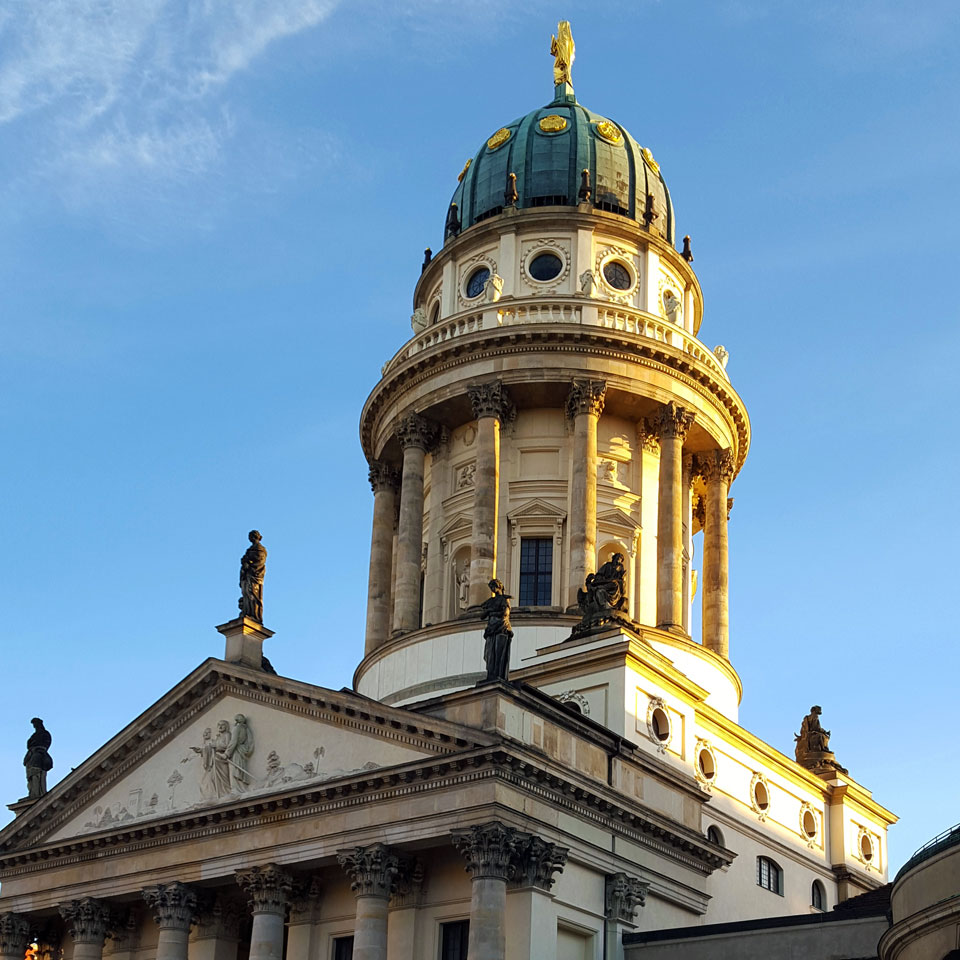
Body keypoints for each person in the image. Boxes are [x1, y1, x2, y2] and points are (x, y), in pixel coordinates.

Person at [480, 579, 513, 682]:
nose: (493, 589)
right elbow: (482, 616)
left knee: (499, 653)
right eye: (491, 588)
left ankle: (498, 676)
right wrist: (490, 611)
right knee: (490, 654)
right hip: (491, 628)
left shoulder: (504, 599)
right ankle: (491, 675)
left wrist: (491, 611)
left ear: (499, 586)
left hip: (501, 627)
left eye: (494, 587)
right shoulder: (490, 602)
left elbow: (505, 613)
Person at [239, 530, 267, 622]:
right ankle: (247, 612)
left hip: (254, 575)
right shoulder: (250, 549)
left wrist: (249, 565)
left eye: (251, 536)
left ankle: (254, 615)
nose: (250, 538)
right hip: (248, 575)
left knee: (253, 595)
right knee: (247, 593)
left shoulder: (260, 549)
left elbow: (259, 562)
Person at [24, 717, 53, 799]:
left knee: (37, 773)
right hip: (32, 755)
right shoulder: (34, 735)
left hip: (38, 755)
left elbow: (46, 744)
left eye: (35, 724)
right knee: (31, 775)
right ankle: (33, 793)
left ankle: (37, 793)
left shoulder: (44, 734)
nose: (35, 726)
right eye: (34, 725)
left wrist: (37, 749)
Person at [226, 713, 254, 791]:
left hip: (236, 751)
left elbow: (233, 741)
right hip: (242, 750)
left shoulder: (237, 728)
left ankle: (238, 789)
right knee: (240, 768)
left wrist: (227, 754)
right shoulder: (245, 728)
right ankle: (241, 788)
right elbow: (250, 741)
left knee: (235, 769)